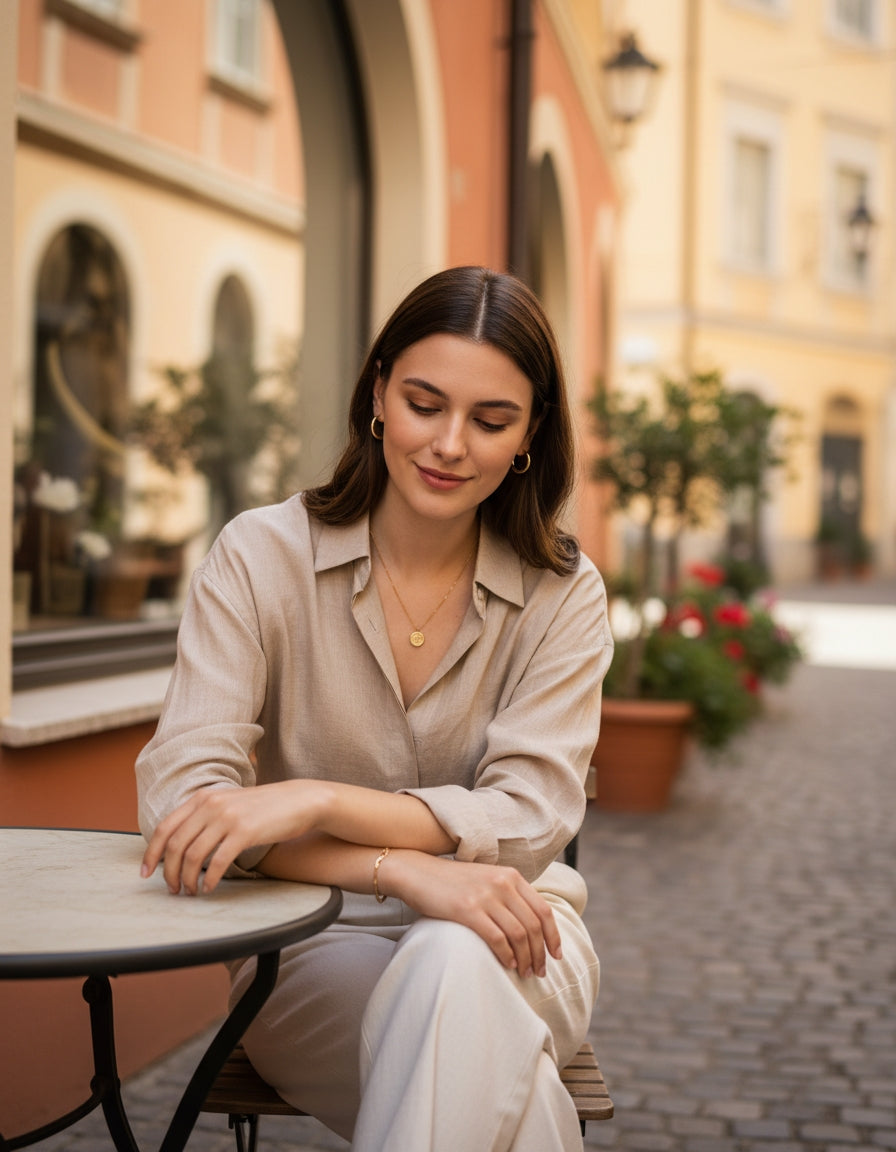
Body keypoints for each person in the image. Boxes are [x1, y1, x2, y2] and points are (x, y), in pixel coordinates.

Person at [137, 265, 614, 1151]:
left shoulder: (564, 594)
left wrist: (316, 800)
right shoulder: (259, 556)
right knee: (475, 1036)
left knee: (453, 960)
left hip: (522, 936)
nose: (450, 444)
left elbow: (531, 819)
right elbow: (182, 812)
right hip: (308, 947)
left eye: (491, 419)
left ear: (529, 438)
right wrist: (407, 871)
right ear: (379, 397)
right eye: (425, 403)